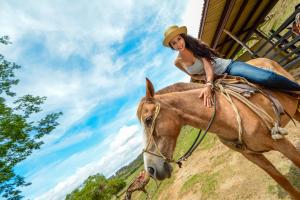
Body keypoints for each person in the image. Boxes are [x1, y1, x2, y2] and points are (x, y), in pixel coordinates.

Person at [162, 25, 300, 107]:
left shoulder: (195, 46)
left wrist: (208, 84)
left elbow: (208, 66)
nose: (178, 44)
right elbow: (192, 75)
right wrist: (206, 80)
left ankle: (297, 90)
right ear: (171, 47)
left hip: (227, 68)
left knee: (265, 77)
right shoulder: (177, 62)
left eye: (179, 39)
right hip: (215, 80)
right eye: (174, 43)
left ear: (183, 37)